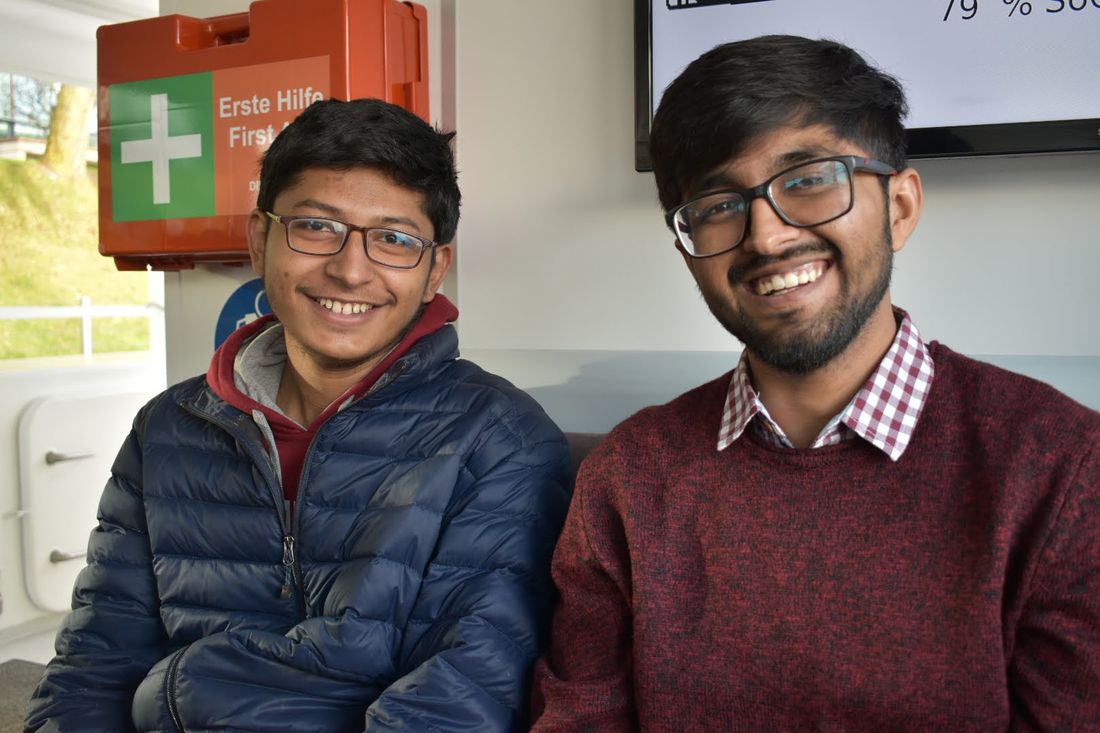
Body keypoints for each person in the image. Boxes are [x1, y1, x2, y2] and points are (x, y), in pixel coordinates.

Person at [531, 35, 1100, 730]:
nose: (765, 237)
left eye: (807, 180)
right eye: (717, 205)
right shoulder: (627, 476)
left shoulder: (1062, 467)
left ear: (900, 207)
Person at [25, 98, 572, 732]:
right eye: (316, 227)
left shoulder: (501, 441)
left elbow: (459, 701)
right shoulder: (168, 429)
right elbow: (94, 666)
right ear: (260, 241)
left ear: (433, 271)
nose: (349, 269)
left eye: (394, 240)